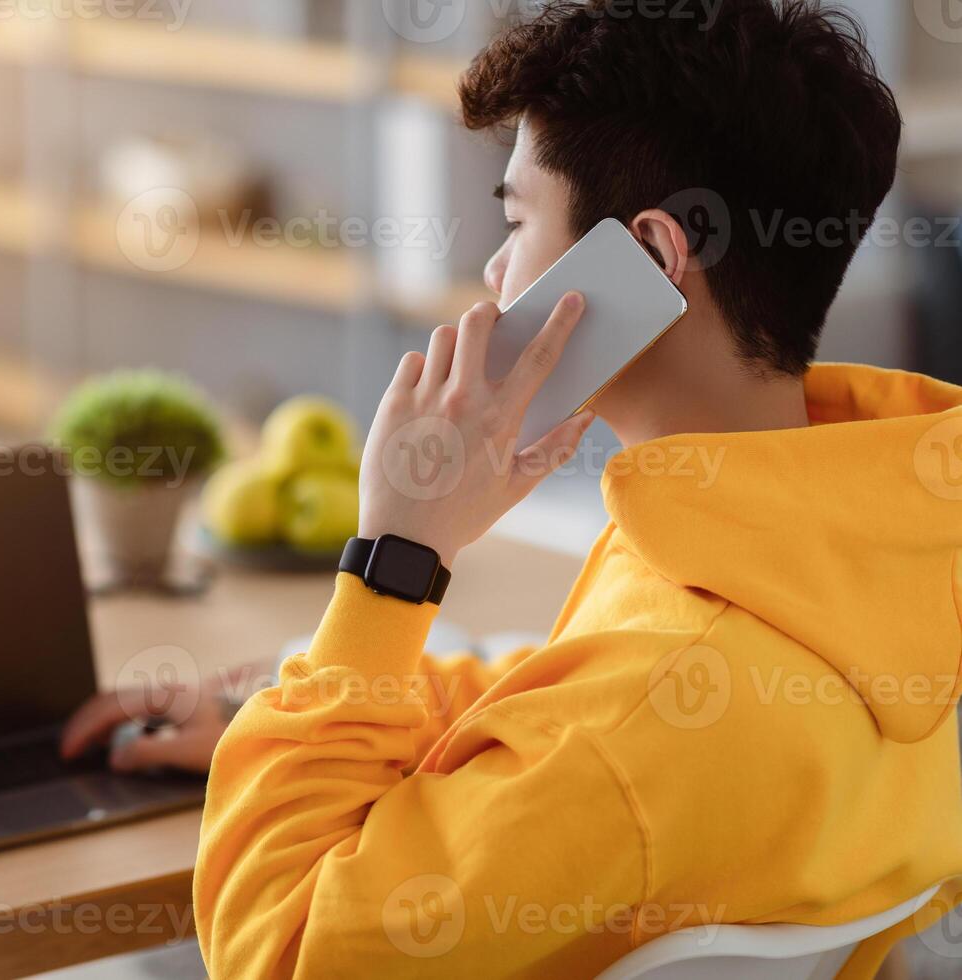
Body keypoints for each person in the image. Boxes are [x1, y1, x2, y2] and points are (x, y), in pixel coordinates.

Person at [62, 1, 962, 975]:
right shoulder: (861, 541)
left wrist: (395, 559)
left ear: (653, 259)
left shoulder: (639, 725)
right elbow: (565, 702)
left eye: (517, 218)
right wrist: (306, 709)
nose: (494, 271)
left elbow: (281, 946)